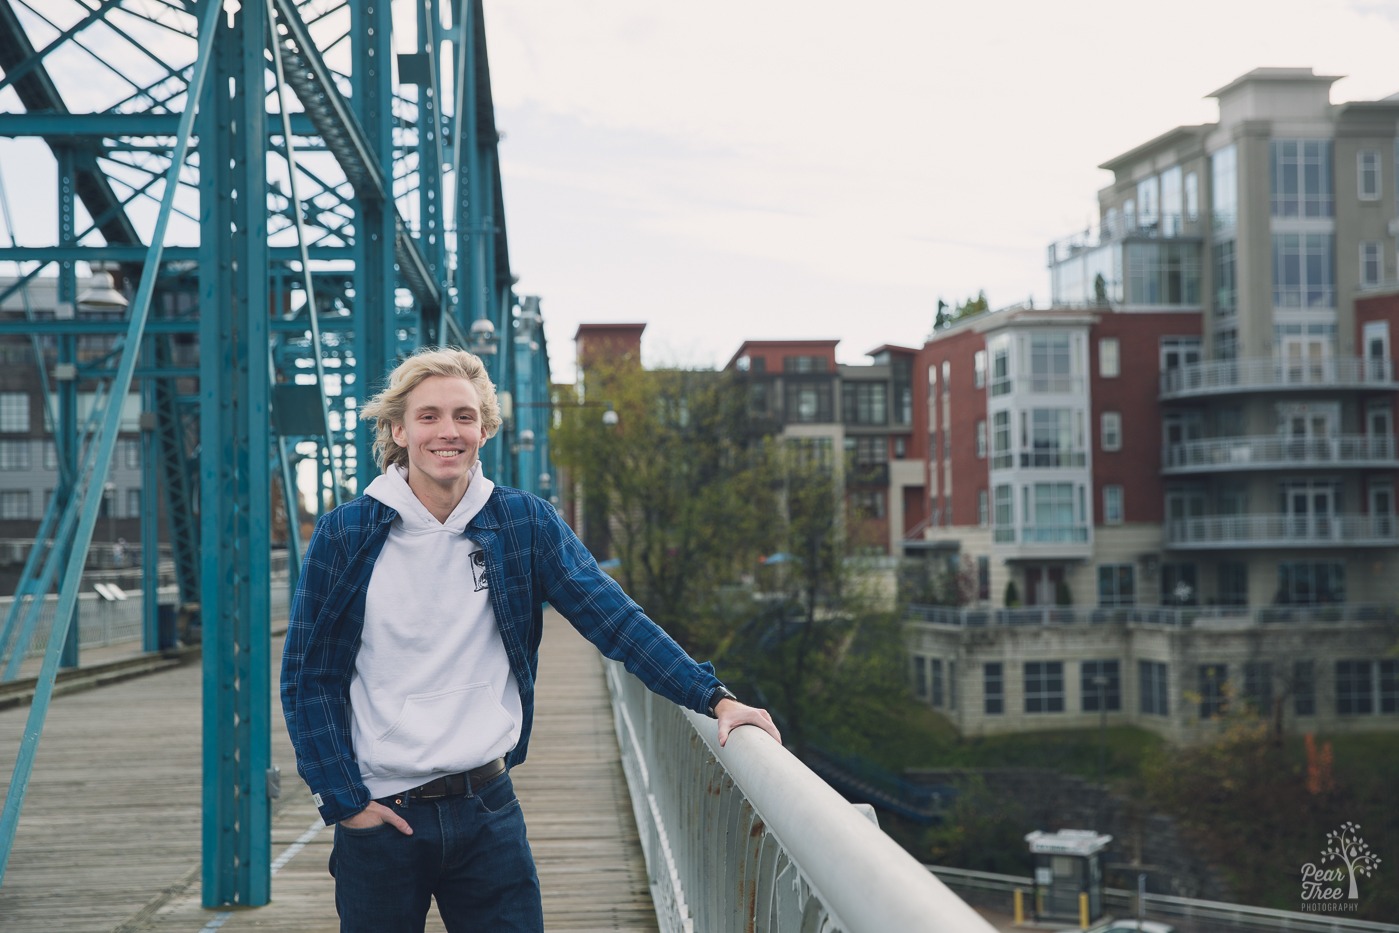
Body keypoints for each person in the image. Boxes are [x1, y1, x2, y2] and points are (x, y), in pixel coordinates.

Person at [280, 346, 780, 932]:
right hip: (383, 817)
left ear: (486, 429)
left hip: (488, 810)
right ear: (399, 429)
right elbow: (308, 677)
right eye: (429, 416)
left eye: (465, 417)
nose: (448, 431)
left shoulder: (522, 522)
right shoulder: (347, 533)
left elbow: (614, 619)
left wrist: (714, 697)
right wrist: (344, 802)